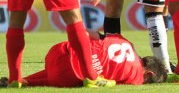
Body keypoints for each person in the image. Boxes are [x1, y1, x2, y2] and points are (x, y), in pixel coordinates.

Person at [0, 31, 167, 87]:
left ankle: (17, 80)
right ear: (149, 73)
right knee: (69, 76)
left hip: (58, 50)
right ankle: (23, 82)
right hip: (66, 74)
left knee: (67, 64)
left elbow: (93, 33)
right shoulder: (137, 76)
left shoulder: (125, 42)